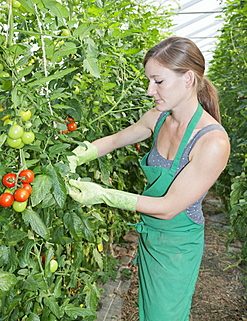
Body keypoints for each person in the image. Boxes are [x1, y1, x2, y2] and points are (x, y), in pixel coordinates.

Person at [68, 36, 230, 321]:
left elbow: (168, 207)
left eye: (158, 81)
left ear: (188, 78)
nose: (149, 90)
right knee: (150, 312)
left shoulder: (212, 142)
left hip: (177, 246)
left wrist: (102, 194)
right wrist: (77, 155)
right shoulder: (159, 117)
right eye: (149, 81)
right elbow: (117, 139)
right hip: (149, 235)